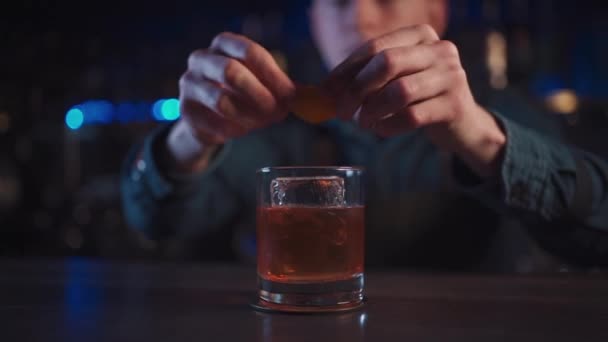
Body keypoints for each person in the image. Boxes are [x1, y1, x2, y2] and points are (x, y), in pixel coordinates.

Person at [121, 0, 608, 271]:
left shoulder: (501, 114)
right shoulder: (273, 131)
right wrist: (192, 138)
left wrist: (480, 138)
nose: (358, 18)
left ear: (436, 14)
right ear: (314, 23)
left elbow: (595, 229)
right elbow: (155, 222)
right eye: (336, 3)